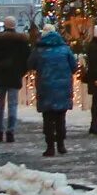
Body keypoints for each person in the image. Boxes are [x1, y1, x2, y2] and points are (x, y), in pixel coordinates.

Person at [27, 24, 78, 157]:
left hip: (45, 87)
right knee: (61, 117)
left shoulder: (39, 50)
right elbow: (74, 67)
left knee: (48, 118)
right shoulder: (65, 49)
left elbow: (30, 64)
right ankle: (61, 145)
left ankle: (50, 147)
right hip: (63, 87)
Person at [0, 16, 30, 143]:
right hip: (14, 76)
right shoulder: (21, 41)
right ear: (15, 25)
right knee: (13, 104)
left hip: (0, 76)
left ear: (4, 25)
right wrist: (20, 72)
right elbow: (26, 59)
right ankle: (10, 131)